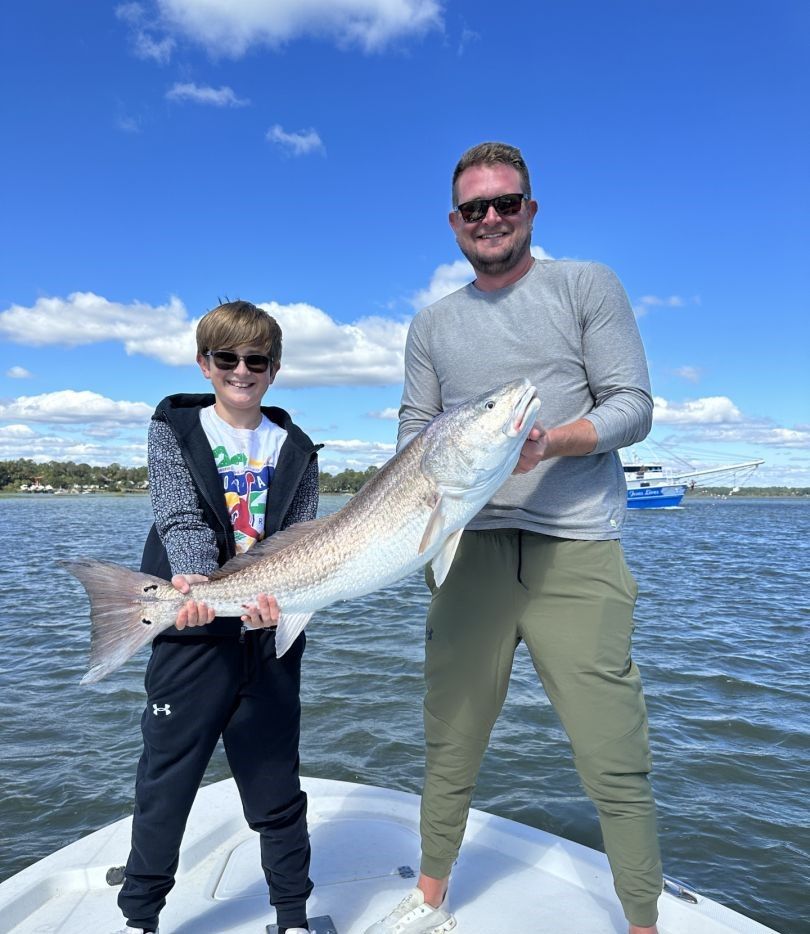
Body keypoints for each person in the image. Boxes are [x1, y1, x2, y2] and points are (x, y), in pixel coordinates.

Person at [365, 143, 662, 934]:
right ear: (454, 223)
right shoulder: (431, 325)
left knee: (614, 756)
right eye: (474, 209)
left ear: (531, 208)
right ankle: (429, 900)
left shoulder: (586, 285)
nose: (490, 219)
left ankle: (643, 923)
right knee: (449, 741)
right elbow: (412, 430)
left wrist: (556, 441)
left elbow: (634, 404)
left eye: (506, 203)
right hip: (468, 549)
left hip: (577, 549)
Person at [114, 300, 320, 934]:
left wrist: (279, 602)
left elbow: (304, 538)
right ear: (204, 364)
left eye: (255, 360)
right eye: (226, 358)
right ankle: (141, 919)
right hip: (192, 631)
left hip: (268, 634)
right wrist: (196, 578)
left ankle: (291, 916)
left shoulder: (299, 449)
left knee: (275, 786)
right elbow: (180, 513)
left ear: (273, 369)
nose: (241, 371)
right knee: (166, 786)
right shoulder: (175, 430)